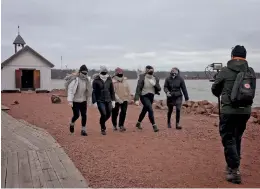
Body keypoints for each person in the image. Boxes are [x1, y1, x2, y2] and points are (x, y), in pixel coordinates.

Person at [211, 45, 256, 184]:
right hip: (245, 111)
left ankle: (234, 168)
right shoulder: (251, 71)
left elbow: (215, 90)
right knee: (237, 136)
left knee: (228, 138)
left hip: (229, 110)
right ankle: (232, 166)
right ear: (245, 56)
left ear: (232, 56)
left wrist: (218, 80)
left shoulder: (224, 71)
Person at [134, 65, 161, 132]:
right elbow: (138, 88)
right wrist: (136, 99)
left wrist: (154, 84)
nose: (150, 71)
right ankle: (154, 125)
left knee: (145, 110)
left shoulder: (155, 78)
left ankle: (138, 123)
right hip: (144, 96)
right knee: (150, 109)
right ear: (146, 71)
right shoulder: (142, 78)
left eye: (152, 70)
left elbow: (159, 88)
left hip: (151, 96)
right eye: (149, 70)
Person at [67, 65, 92, 136]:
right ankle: (72, 123)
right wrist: (70, 101)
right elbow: (70, 90)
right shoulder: (75, 79)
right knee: (77, 115)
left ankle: (83, 130)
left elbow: (89, 91)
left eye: (86, 73)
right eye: (83, 73)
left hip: (83, 100)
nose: (84, 74)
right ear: (80, 72)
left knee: (84, 115)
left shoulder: (87, 80)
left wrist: (89, 100)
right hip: (75, 101)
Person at [92, 66, 116, 135]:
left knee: (108, 114)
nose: (104, 73)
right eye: (103, 72)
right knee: (103, 114)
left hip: (108, 100)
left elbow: (112, 91)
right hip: (100, 100)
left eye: (105, 72)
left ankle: (102, 122)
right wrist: (94, 101)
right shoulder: (96, 80)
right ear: (100, 72)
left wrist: (113, 100)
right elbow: (94, 92)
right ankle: (103, 128)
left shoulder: (109, 79)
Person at [111, 67, 132, 132]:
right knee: (115, 113)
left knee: (123, 112)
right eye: (118, 73)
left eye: (121, 73)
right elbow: (112, 92)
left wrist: (129, 97)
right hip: (116, 100)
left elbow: (128, 89)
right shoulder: (112, 81)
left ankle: (121, 125)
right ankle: (114, 125)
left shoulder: (125, 80)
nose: (120, 74)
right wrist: (118, 99)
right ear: (116, 73)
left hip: (125, 99)